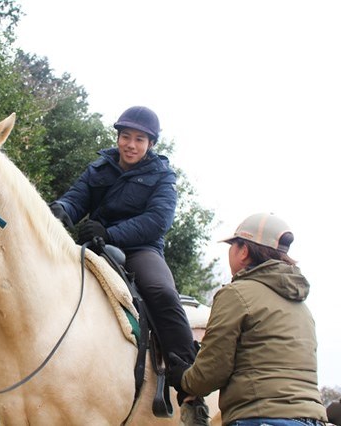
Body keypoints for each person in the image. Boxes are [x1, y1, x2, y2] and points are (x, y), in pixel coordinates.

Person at [49, 105, 209, 425]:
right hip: (94, 247)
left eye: (139, 139)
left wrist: (109, 233)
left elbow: (156, 222)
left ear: (150, 144)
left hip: (141, 249)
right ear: (118, 137)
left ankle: (190, 393)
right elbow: (75, 199)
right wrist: (55, 213)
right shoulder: (99, 168)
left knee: (162, 292)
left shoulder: (162, 176)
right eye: (125, 137)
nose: (130, 145)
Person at [166, 212, 329, 426]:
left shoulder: (236, 294)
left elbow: (212, 372)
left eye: (233, 245)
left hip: (261, 418)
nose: (230, 251)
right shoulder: (301, 307)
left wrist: (184, 378)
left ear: (243, 251)